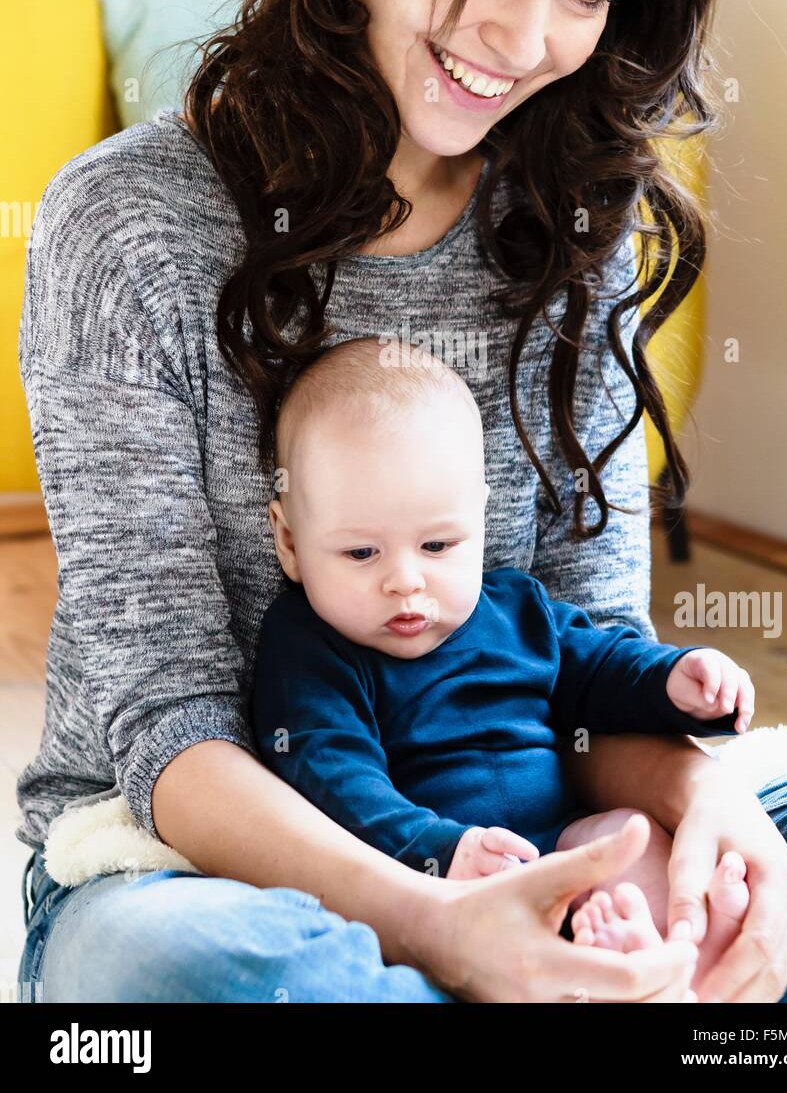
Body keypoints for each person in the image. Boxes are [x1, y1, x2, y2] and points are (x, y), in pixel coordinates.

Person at [14, 0, 787, 1003]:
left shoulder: (573, 220)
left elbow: (590, 657)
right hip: (207, 870)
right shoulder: (131, 227)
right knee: (191, 971)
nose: (524, 41)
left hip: (547, 830)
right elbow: (167, 731)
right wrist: (434, 923)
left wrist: (710, 820)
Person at [253, 335, 755, 999]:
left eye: (438, 544)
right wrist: (438, 848)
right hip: (436, 884)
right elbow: (332, 776)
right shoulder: (308, 645)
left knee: (631, 839)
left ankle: (675, 961)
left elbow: (600, 669)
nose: (406, 581)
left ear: (480, 523)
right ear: (290, 543)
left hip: (561, 839)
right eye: (361, 554)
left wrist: (675, 680)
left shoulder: (518, 609)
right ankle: (614, 974)